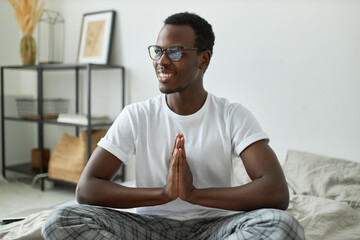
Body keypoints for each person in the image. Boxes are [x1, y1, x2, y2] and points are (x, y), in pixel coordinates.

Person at [42, 12, 305, 240]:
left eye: (175, 51)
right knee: (61, 219)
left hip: (216, 227)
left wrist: (193, 194)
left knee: (283, 225)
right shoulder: (137, 115)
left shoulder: (232, 115)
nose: (162, 61)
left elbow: (276, 191)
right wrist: (164, 194)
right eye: (158, 51)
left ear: (204, 60)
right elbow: (87, 188)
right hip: (148, 227)